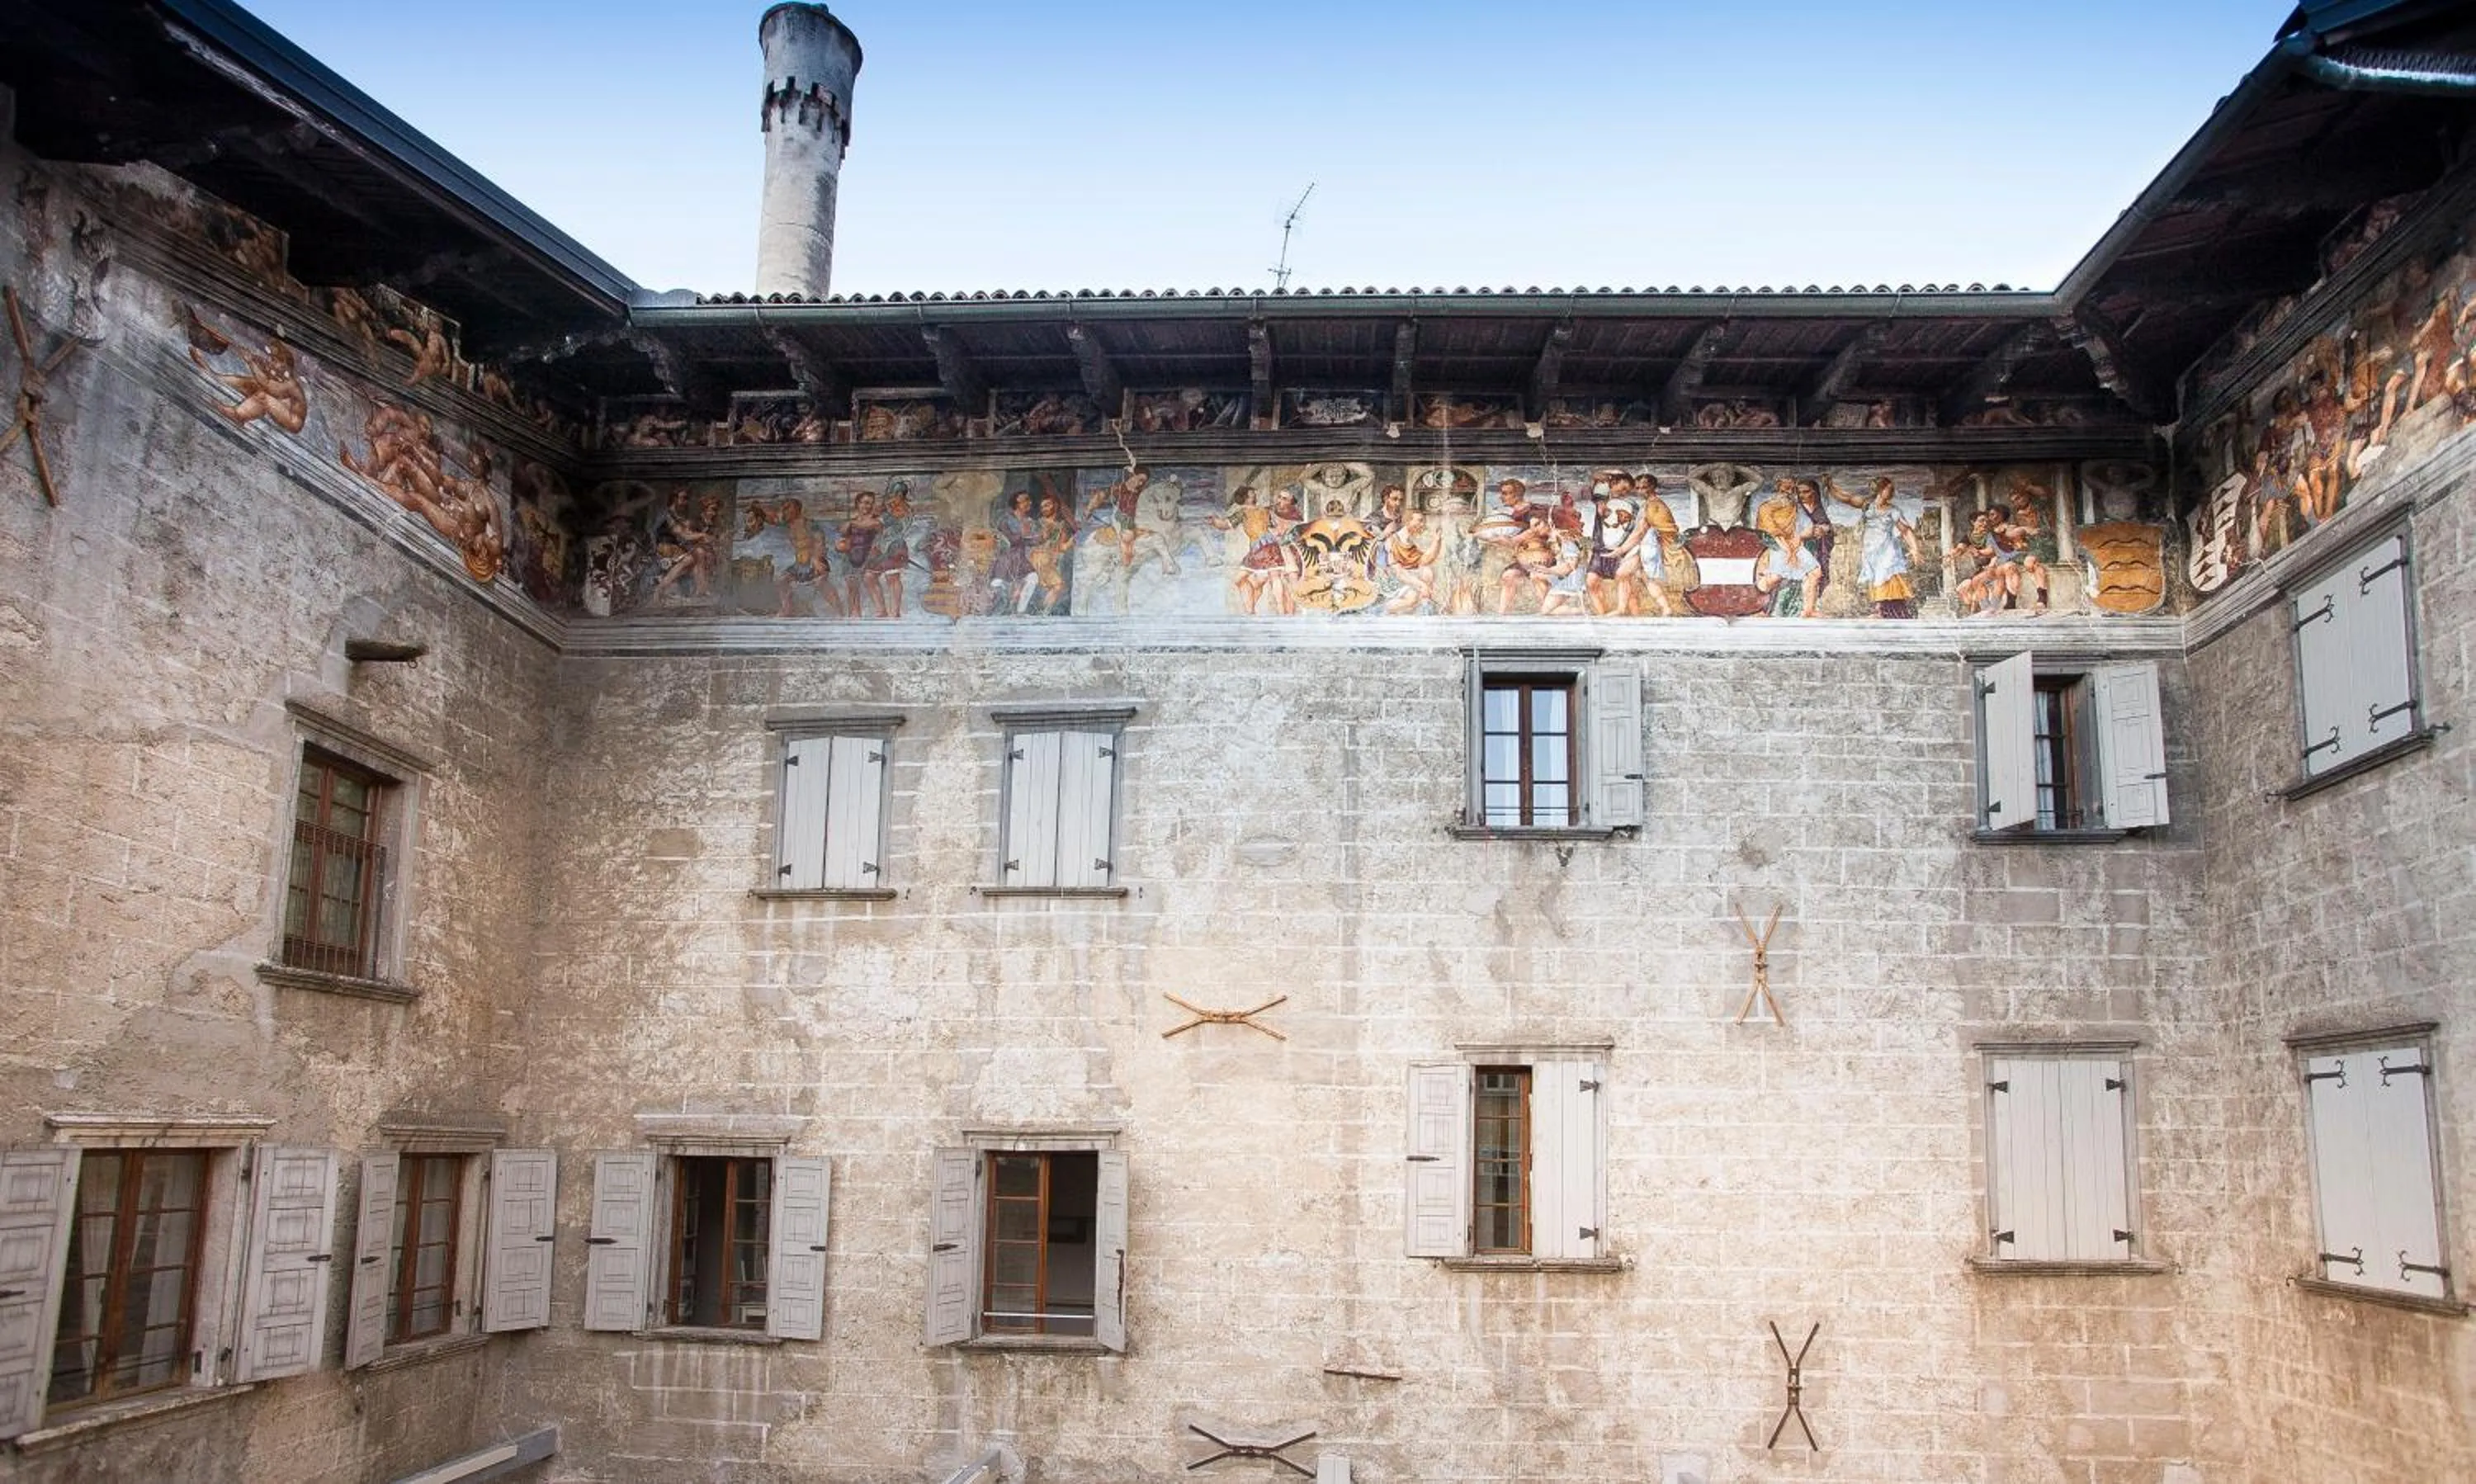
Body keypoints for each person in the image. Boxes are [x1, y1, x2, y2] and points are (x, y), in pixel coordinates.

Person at [1825, 475, 1921, 618]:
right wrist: (1831, 487)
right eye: (1888, 489)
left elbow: (1906, 531)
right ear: (1880, 490)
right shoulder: (1867, 505)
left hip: (1887, 548)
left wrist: (1915, 549)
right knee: (1875, 576)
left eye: (1892, 489)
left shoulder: (1893, 510)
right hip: (1871, 549)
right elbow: (1847, 498)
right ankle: (1882, 609)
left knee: (1885, 575)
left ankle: (1882, 610)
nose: (1891, 492)